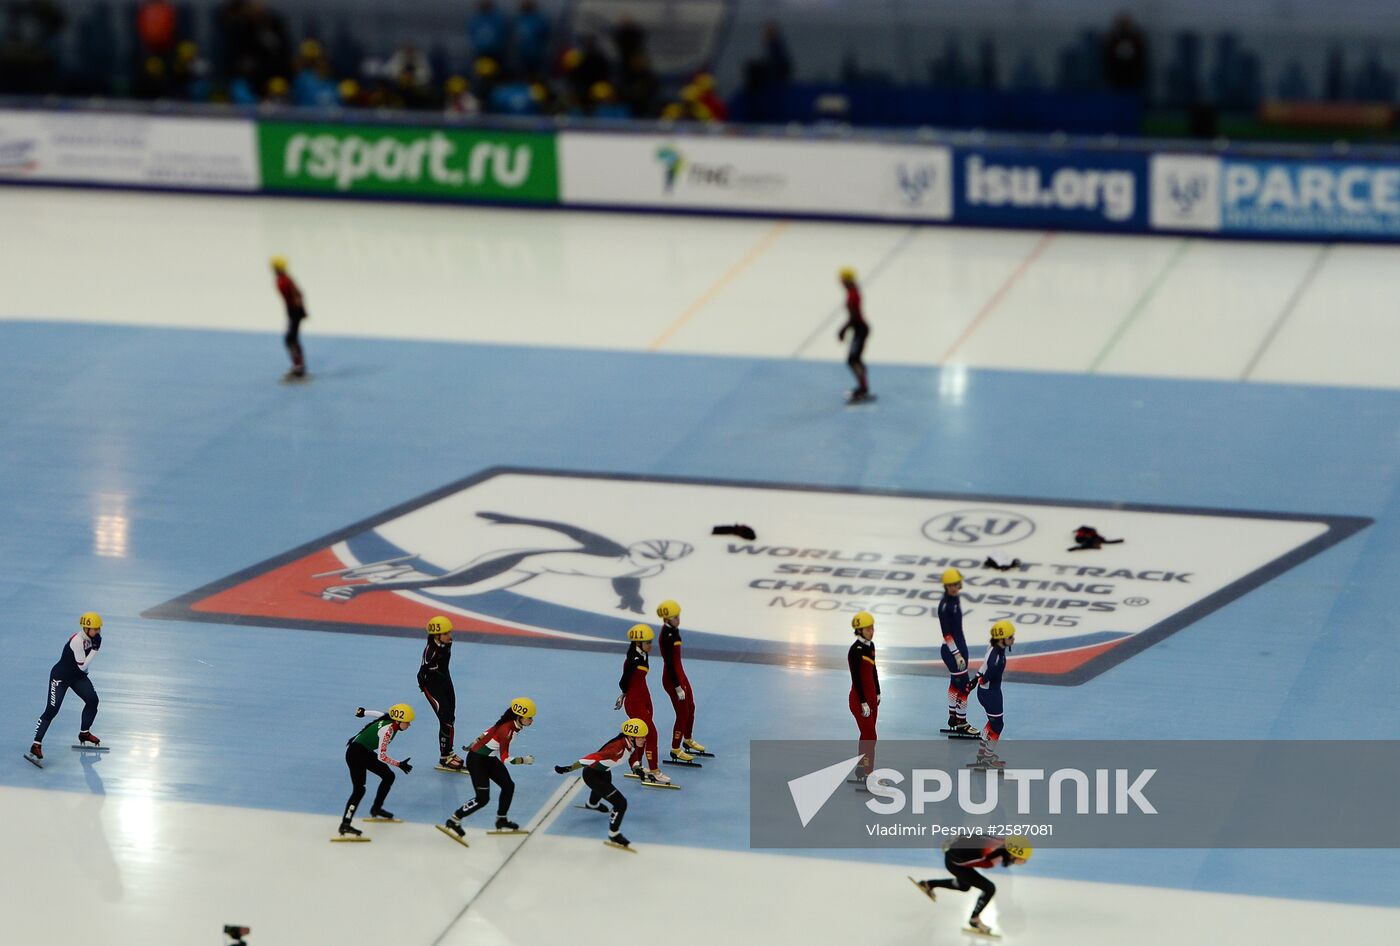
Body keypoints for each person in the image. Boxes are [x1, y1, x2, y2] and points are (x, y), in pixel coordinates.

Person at [439, 697, 536, 844]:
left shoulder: (509, 723)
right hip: (477, 761)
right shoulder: (507, 730)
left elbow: (487, 732)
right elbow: (506, 759)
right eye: (529, 718)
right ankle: (454, 819)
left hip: (488, 758)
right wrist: (524, 760)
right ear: (519, 716)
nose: (532, 721)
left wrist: (474, 742)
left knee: (508, 786)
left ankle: (502, 820)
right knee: (482, 798)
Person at [554, 718, 650, 849]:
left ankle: (592, 804)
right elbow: (590, 758)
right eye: (641, 737)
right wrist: (568, 768)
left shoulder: (631, 743)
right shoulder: (616, 748)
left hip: (604, 772)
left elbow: (632, 755)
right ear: (631, 736)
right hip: (592, 775)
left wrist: (636, 768)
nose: (644, 740)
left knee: (603, 787)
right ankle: (614, 834)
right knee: (620, 803)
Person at [26, 612, 106, 767]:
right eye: (95, 629)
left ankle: (84, 733)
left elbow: (81, 669)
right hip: (60, 677)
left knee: (92, 700)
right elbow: (82, 665)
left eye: (99, 629)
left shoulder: (93, 638)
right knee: (52, 710)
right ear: (86, 628)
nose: (98, 632)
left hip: (77, 677)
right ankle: (36, 745)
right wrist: (96, 649)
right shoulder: (77, 641)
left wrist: (95, 646)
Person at [912, 834, 1032, 935]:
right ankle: (974, 920)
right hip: (955, 862)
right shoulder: (990, 857)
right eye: (1022, 859)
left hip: (959, 857)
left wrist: (953, 842)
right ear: (1012, 854)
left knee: (963, 886)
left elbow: (976, 836)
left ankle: (927, 884)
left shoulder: (1001, 842)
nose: (1024, 862)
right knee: (989, 888)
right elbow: (967, 858)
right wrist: (951, 849)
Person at [337, 704, 414, 839]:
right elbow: (382, 756)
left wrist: (364, 712)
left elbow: (378, 714)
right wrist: (399, 764)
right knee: (359, 790)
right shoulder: (388, 731)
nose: (409, 725)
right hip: (355, 754)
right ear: (398, 721)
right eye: (407, 722)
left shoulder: (389, 719)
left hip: (364, 752)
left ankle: (376, 809)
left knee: (389, 776)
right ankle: (345, 824)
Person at [615, 623, 670, 783]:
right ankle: (654, 770)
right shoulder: (633, 659)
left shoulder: (642, 654)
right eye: (648, 643)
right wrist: (624, 694)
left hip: (644, 697)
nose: (651, 646)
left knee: (643, 734)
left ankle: (636, 764)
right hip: (636, 701)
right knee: (651, 734)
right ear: (638, 643)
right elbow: (623, 681)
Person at [657, 599, 706, 763]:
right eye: (674, 617)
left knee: (691, 707)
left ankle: (687, 738)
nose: (678, 619)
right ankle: (675, 748)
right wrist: (678, 686)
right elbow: (670, 663)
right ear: (666, 619)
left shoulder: (674, 630)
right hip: (673, 679)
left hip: (680, 675)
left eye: (678, 616)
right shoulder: (667, 636)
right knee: (682, 713)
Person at [418, 615, 463, 771]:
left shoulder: (447, 642)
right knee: (446, 720)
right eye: (446, 633)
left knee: (451, 718)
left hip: (445, 682)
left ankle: (449, 752)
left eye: (449, 632)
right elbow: (422, 674)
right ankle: (445, 757)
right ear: (436, 635)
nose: (450, 636)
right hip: (432, 686)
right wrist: (424, 686)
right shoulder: (430, 652)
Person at [968, 621, 1015, 769]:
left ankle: (983, 754)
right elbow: (987, 674)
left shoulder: (993, 648)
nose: (1013, 639)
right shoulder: (997, 658)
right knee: (998, 725)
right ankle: (986, 758)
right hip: (991, 694)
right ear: (1002, 639)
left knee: (992, 722)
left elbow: (983, 667)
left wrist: (975, 679)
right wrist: (980, 679)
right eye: (1010, 637)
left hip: (988, 692)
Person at [938, 569, 978, 736]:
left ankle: (953, 717)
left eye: (956, 584)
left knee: (955, 684)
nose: (955, 588)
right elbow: (947, 634)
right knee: (965, 687)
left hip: (959, 647)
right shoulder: (945, 606)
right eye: (951, 585)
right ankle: (961, 723)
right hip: (954, 650)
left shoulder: (954, 600)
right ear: (946, 586)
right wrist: (957, 654)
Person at [848, 611, 879, 780]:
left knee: (866, 734)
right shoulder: (855, 651)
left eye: (872, 628)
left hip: (872, 698)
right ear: (859, 630)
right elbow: (856, 678)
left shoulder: (871, 646)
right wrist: (863, 702)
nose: (871, 631)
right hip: (860, 701)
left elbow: (873, 670)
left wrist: (878, 692)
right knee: (871, 737)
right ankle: (868, 773)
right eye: (867, 629)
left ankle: (861, 768)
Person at [270, 256, 307, 379]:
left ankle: (299, 368)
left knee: (291, 339)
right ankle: (299, 367)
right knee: (292, 339)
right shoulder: (285, 279)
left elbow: (296, 294)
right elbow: (298, 293)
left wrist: (299, 308)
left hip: (294, 312)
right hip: (294, 311)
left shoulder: (284, 280)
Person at [837, 267, 871, 402]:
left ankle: (863, 388)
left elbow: (854, 316)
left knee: (853, 360)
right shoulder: (853, 292)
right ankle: (863, 386)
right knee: (855, 359)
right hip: (858, 329)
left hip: (860, 330)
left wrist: (843, 329)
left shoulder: (852, 294)